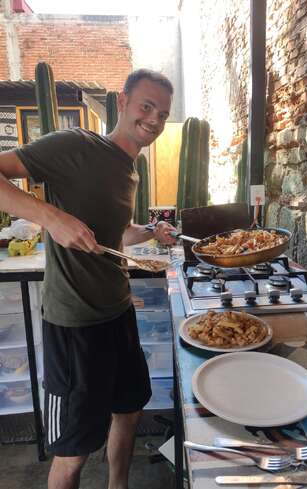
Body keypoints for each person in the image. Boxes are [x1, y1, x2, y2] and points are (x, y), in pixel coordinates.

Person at [0, 68, 177, 489]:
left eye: (163, 114)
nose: (153, 120)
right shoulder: (75, 146)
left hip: (118, 314)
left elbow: (111, 235)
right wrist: (51, 217)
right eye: (146, 106)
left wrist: (149, 233)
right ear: (122, 101)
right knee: (73, 451)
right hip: (75, 326)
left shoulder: (129, 170)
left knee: (129, 409)